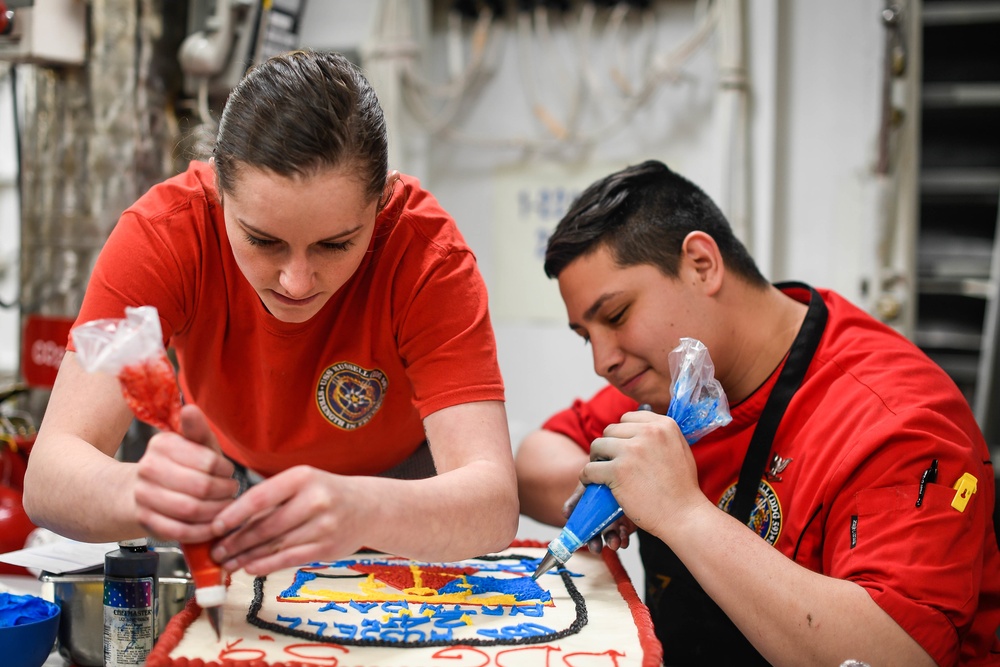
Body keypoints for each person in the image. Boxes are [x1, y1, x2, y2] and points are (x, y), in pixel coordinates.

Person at [23, 50, 518, 576]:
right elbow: (49, 476)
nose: (296, 282)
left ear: (385, 198)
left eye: (336, 245)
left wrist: (365, 508)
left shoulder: (427, 257)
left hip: (401, 489)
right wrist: (140, 490)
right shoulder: (163, 236)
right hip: (232, 476)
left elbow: (491, 501)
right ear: (217, 190)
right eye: (263, 240)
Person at [515, 160, 1000, 666]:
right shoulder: (681, 385)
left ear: (702, 264)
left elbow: (895, 655)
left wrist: (683, 513)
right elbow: (533, 463)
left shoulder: (894, 416)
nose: (602, 360)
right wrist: (618, 482)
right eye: (585, 336)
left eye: (615, 316)